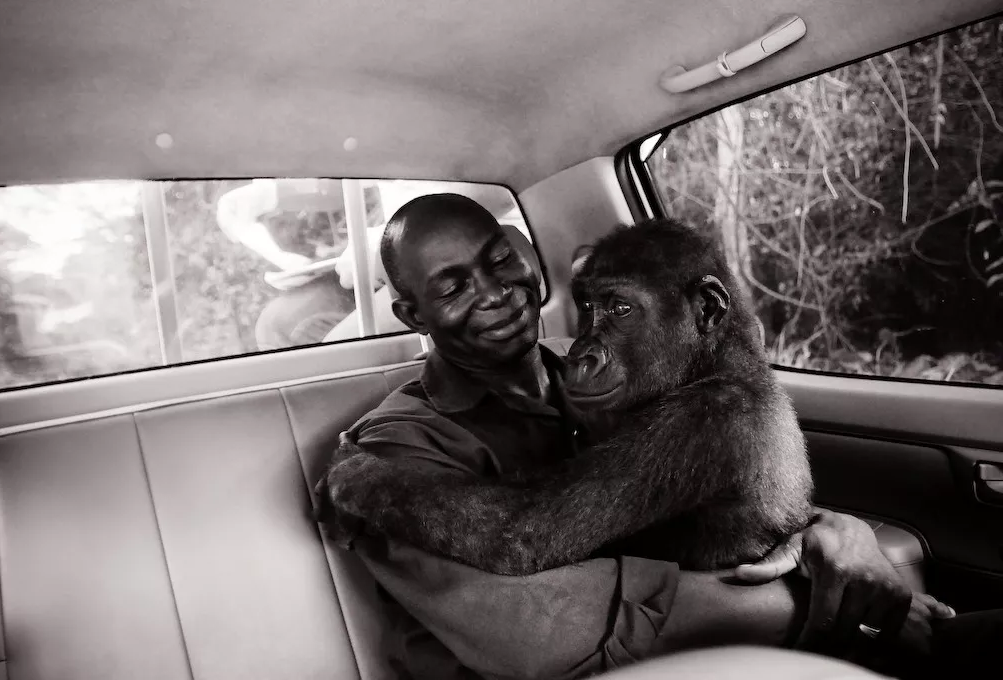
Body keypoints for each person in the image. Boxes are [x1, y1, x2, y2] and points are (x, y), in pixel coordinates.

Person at [316, 193, 956, 680]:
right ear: (412, 315)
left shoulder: (602, 366)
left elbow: (709, 495)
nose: (494, 292)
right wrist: (810, 606)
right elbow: (535, 631)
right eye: (452, 287)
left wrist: (832, 532)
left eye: (499, 260)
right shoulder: (391, 450)